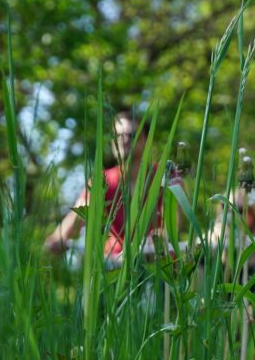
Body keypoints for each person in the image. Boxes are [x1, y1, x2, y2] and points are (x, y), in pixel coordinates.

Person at [44, 111, 178, 258]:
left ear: (146, 141)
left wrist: (163, 236)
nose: (123, 140)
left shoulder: (164, 176)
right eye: (118, 136)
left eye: (132, 135)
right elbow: (80, 215)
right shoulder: (102, 182)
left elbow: (173, 222)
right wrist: (58, 238)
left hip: (158, 263)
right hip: (116, 265)